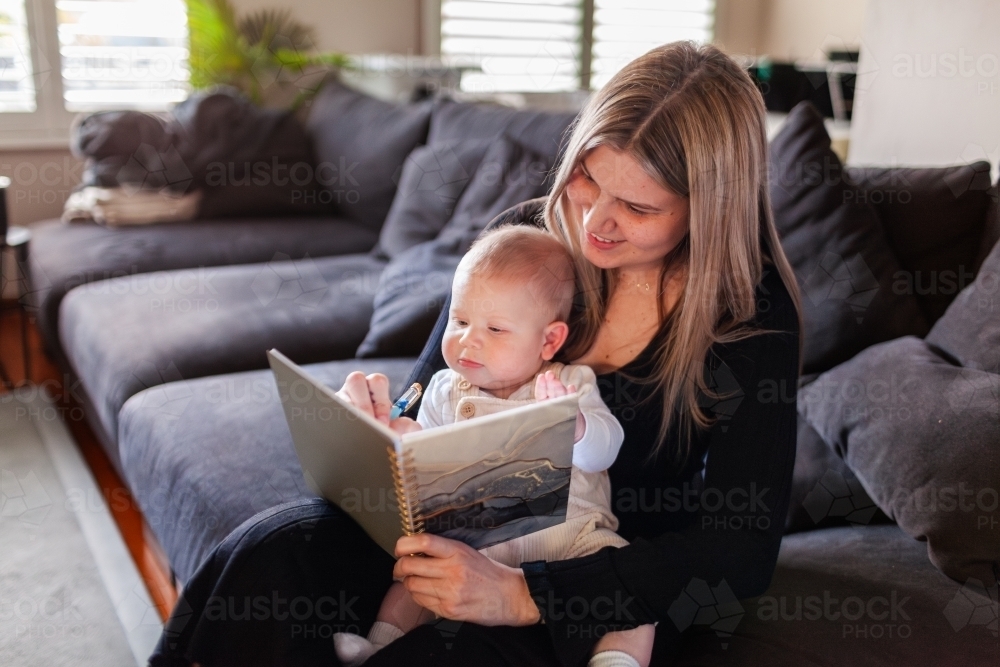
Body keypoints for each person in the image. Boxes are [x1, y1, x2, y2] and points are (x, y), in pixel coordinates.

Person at [150, 41, 803, 667]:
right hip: (456, 532)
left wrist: (518, 595)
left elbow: (740, 549)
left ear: (708, 210)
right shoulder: (525, 248)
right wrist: (376, 427)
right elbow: (430, 395)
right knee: (272, 552)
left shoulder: (751, 317)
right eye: (588, 177)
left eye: (635, 206)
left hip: (593, 581)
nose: (595, 220)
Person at [333, 225, 655, 667]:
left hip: (571, 540)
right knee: (414, 576)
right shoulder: (446, 388)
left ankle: (616, 661)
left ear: (549, 341)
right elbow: (423, 463)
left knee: (627, 585)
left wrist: (575, 425)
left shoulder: (567, 383)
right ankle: (380, 645)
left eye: (495, 329)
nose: (468, 340)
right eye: (460, 320)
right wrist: (404, 439)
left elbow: (606, 451)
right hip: (474, 543)